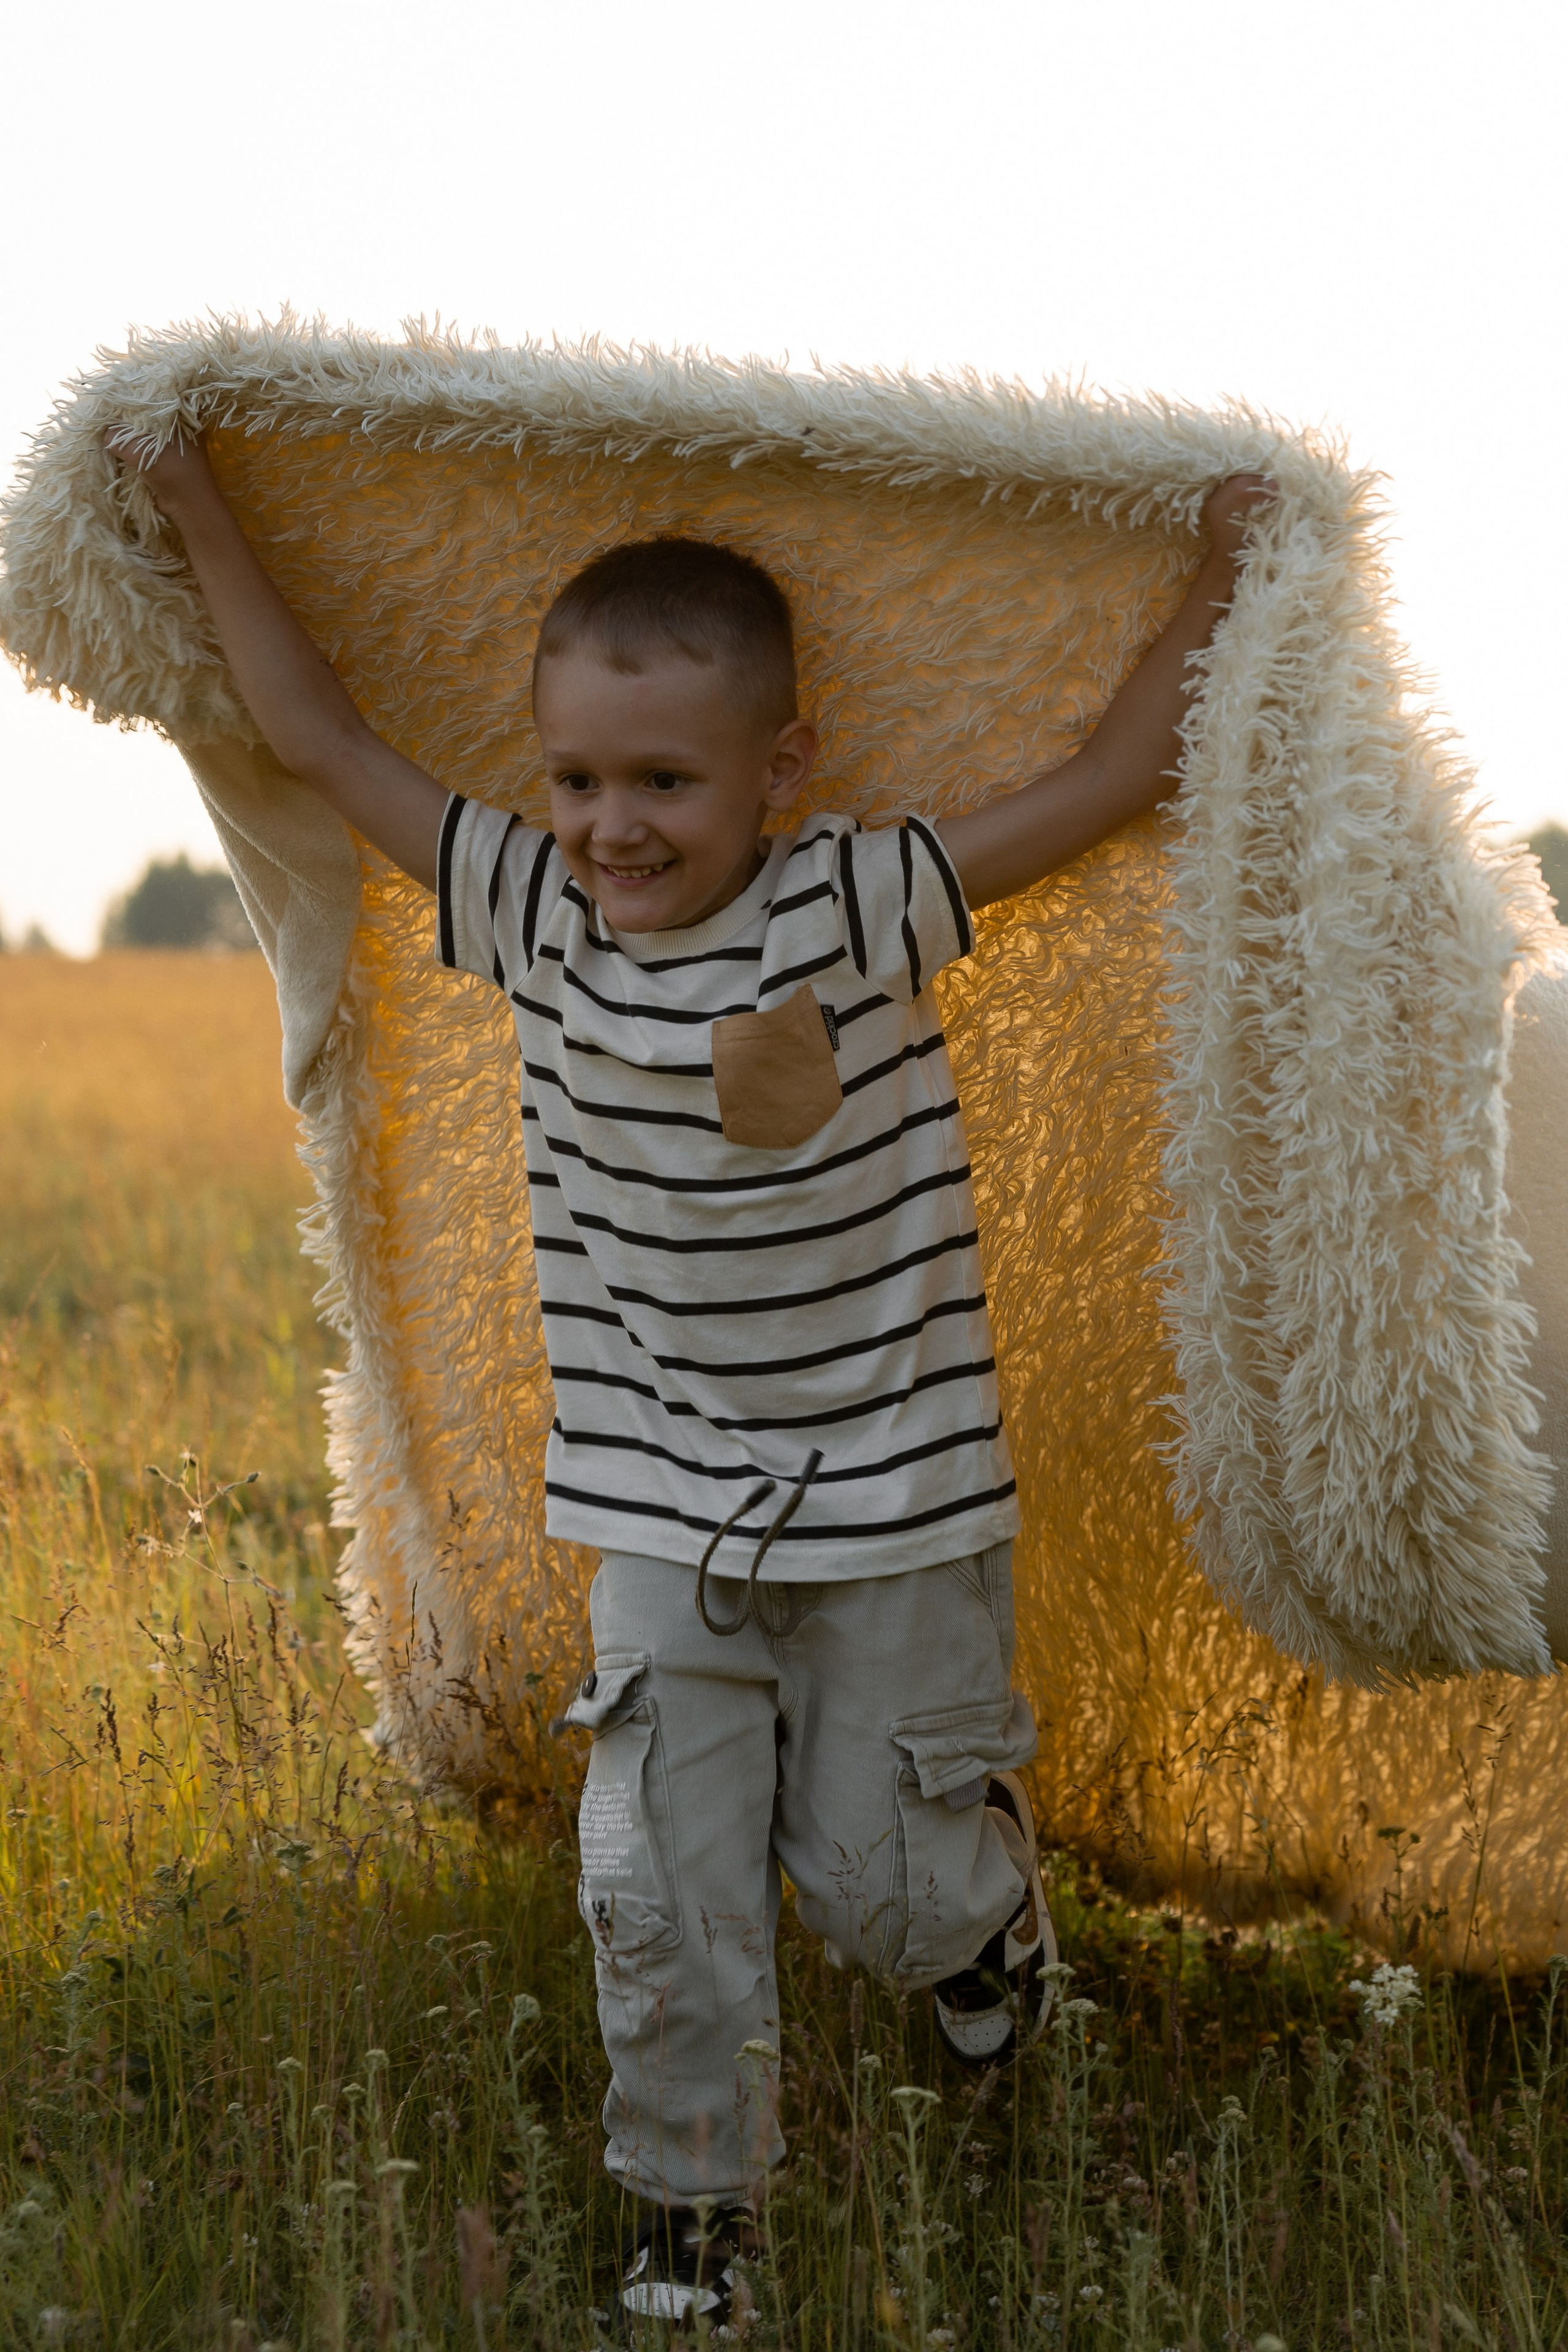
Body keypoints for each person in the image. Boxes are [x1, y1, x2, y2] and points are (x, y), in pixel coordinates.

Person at [108, 426, 1272, 2330]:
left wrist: (1229, 560)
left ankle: (986, 1923)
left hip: (898, 1495)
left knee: (879, 1891)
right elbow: (321, 738)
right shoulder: (536, 919)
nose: (612, 824)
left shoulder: (855, 905)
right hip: (659, 1509)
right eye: (574, 778)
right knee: (654, 1887)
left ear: (780, 772)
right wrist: (195, 507)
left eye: (663, 779)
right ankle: (693, 2227)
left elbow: (1116, 775)